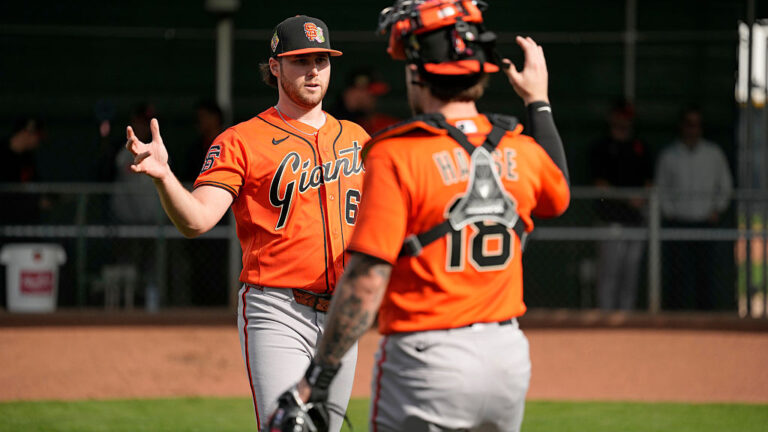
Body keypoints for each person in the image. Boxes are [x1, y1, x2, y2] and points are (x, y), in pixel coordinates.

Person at [267, 1, 570, 431]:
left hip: (426, 359)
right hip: (508, 356)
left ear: (416, 71)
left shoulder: (397, 152)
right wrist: (537, 100)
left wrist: (315, 380)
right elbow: (559, 191)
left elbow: (367, 280)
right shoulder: (519, 149)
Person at [123, 15, 369, 431]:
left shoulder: (357, 138)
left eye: (322, 60)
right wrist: (165, 178)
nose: (313, 70)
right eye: (300, 60)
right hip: (278, 309)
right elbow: (198, 220)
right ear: (275, 66)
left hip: (344, 314)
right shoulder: (241, 140)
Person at [656, 106, 733, 310]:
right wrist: (670, 212)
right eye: (689, 124)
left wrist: (717, 209)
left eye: (696, 124)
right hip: (678, 224)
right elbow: (661, 189)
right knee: (677, 278)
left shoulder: (714, 154)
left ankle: (707, 323)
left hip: (705, 223)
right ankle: (673, 325)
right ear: (682, 126)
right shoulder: (669, 155)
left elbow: (725, 187)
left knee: (705, 276)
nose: (693, 129)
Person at [589, 100, 653, 310]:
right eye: (620, 116)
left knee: (630, 277)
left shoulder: (640, 147)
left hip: (635, 221)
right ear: (612, 117)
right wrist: (628, 199)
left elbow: (649, 183)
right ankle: (606, 322)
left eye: (627, 117)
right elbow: (600, 185)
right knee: (609, 275)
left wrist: (641, 198)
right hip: (610, 222)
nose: (624, 121)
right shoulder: (602, 147)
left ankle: (626, 323)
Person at [0, 116, 46, 224]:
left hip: (22, 221)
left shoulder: (27, 158)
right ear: (26, 133)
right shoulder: (2, 152)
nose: (38, 141)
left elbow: (34, 182)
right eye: (37, 136)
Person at [330, 68, 399, 134]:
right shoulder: (330, 124)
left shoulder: (386, 124)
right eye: (368, 92)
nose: (373, 98)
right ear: (349, 92)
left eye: (374, 95)